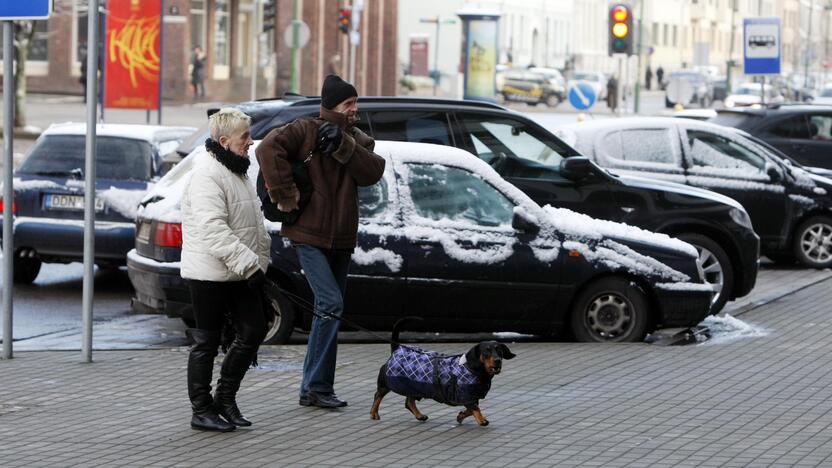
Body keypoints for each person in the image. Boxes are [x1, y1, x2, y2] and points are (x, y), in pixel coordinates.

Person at [256, 75, 386, 409]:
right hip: (308, 236)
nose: (354, 109)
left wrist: (343, 144)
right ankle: (315, 386)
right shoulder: (304, 130)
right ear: (331, 107)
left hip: (341, 239)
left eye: (356, 103)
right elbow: (267, 148)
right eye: (348, 104)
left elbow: (372, 172)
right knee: (330, 305)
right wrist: (284, 196)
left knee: (328, 311)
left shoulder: (356, 138)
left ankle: (315, 388)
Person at [181, 107, 271, 432]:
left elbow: (250, 223)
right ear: (224, 140)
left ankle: (225, 399)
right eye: (244, 136)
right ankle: (201, 410)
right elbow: (213, 229)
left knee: (254, 329)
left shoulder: (237, 169)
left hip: (238, 271)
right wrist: (250, 265)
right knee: (206, 340)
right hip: (209, 274)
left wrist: (258, 264)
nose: (250, 142)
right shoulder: (208, 173)